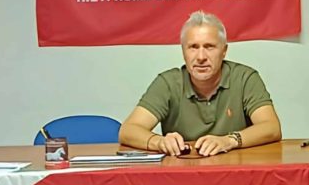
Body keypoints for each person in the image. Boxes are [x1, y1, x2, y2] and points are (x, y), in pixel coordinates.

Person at [119, 11, 282, 157]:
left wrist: (229, 141)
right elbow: (128, 130)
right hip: (182, 171)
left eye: (209, 47)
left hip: (236, 169)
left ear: (224, 51)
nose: (201, 57)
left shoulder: (245, 78)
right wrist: (160, 142)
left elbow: (271, 127)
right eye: (193, 47)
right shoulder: (168, 83)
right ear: (183, 52)